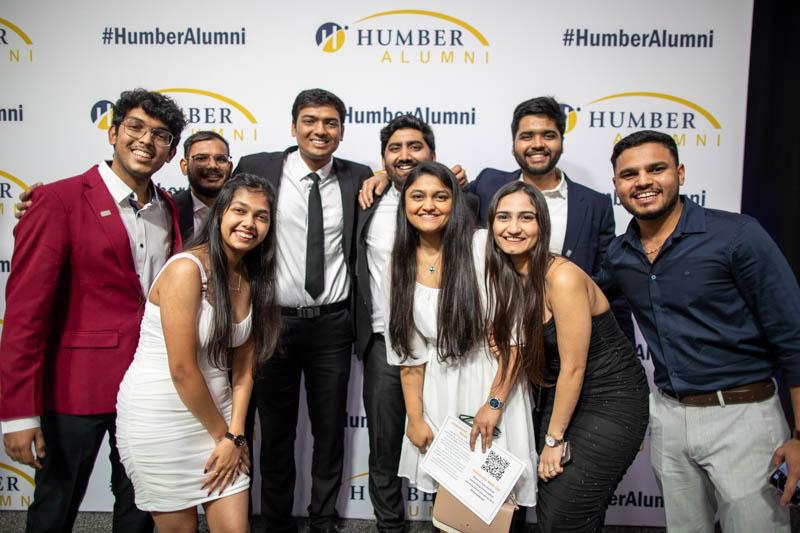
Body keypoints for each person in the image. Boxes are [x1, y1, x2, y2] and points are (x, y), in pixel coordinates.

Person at [0, 88, 186, 532]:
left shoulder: (168, 209)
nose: (146, 141)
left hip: (147, 388)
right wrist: (18, 414)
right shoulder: (58, 200)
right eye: (135, 128)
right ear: (113, 132)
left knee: (140, 506)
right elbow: (25, 314)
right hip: (75, 389)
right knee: (55, 506)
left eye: (160, 135)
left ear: (170, 151)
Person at [599, 130, 800, 532]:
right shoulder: (620, 255)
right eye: (629, 174)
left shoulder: (736, 236)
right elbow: (579, 300)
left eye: (656, 169)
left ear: (681, 173)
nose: (643, 182)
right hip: (670, 418)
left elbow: (793, 339)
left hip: (743, 417)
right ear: (617, 186)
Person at [233, 88, 371, 533]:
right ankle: (273, 522)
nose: (320, 130)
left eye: (331, 122)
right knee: (276, 433)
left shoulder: (359, 176)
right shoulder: (259, 167)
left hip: (333, 324)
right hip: (273, 322)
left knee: (329, 433)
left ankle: (325, 519)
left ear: (342, 131)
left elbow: (415, 188)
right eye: (310, 120)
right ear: (293, 126)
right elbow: (218, 209)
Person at [116, 173, 280, 532]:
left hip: (220, 416)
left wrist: (236, 435)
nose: (249, 224)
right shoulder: (186, 270)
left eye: (261, 216)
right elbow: (182, 369)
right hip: (161, 417)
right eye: (240, 210)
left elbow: (244, 367)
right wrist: (224, 436)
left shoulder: (252, 277)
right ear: (220, 213)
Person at [485, 181, 648, 531]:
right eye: (503, 217)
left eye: (526, 217)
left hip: (609, 400)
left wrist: (554, 440)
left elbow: (574, 366)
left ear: (542, 225)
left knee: (564, 514)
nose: (513, 228)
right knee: (557, 511)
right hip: (562, 398)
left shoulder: (561, 278)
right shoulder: (509, 276)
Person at [380, 161, 538, 511]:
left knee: (497, 502)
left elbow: (514, 340)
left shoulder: (482, 245)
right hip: (438, 391)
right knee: (452, 506)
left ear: (456, 202)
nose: (429, 206)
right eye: (418, 196)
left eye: (440, 196)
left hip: (493, 382)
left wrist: (494, 404)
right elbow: (409, 355)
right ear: (404, 202)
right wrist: (416, 418)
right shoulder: (397, 264)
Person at [466, 96, 634, 341]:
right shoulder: (488, 185)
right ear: (513, 144)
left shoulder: (595, 205)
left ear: (562, 142)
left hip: (564, 339)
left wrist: (623, 351)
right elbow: (438, 201)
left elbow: (610, 283)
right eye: (527, 136)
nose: (537, 144)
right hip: (498, 336)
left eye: (548, 135)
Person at [354, 114, 437, 532]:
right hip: (384, 344)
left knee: (448, 440)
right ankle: (389, 526)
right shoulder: (365, 200)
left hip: (443, 348)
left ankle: (451, 522)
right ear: (383, 158)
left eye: (415, 147)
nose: (405, 156)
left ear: (432, 154)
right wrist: (374, 177)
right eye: (395, 149)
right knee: (384, 446)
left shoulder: (458, 200)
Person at [175, 130, 234, 241]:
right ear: (184, 166)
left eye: (221, 159)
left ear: (230, 168)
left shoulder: (242, 213)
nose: (212, 165)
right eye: (201, 158)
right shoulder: (169, 212)